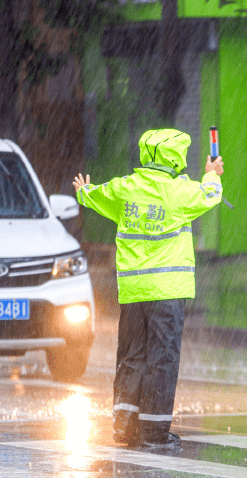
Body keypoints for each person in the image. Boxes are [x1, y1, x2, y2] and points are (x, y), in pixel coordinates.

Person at [72, 128, 223, 450]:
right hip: (167, 290)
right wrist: (211, 175)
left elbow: (94, 196)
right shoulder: (180, 192)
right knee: (162, 359)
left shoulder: (125, 188)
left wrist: (84, 191)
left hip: (133, 291)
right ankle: (153, 433)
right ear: (176, 157)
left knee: (131, 357)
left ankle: (124, 429)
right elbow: (211, 196)